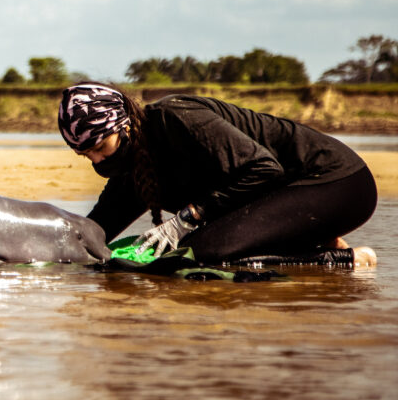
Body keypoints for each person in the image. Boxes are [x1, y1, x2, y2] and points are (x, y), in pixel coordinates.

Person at [57, 83, 377, 266]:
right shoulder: (132, 168)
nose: (97, 160)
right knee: (190, 249)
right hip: (286, 202)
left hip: (336, 183)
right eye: (86, 155)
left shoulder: (176, 118)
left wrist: (187, 217)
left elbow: (263, 169)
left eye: (100, 146)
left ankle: (338, 262)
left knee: (200, 253)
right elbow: (96, 231)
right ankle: (310, 240)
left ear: (123, 124)